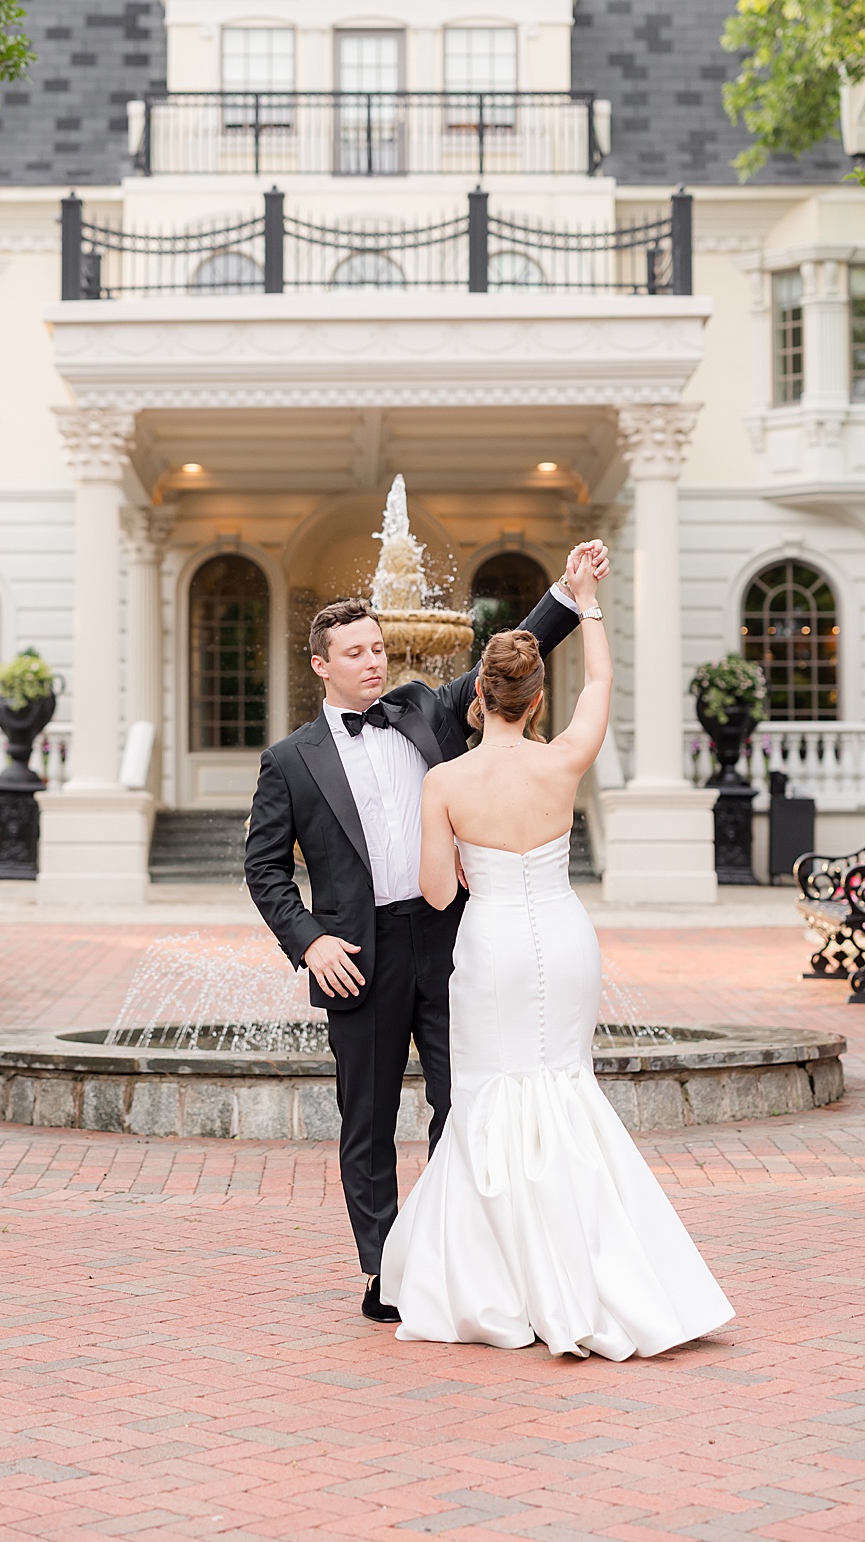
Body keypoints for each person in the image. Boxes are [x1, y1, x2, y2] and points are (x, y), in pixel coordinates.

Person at [380, 571, 734, 1358]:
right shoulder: (565, 757)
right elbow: (603, 678)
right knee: (567, 1086)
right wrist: (590, 602)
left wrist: (465, 860)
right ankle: (600, 1268)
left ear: (480, 699)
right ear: (536, 699)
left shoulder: (446, 780)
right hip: (564, 934)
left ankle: (501, 1282)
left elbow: (436, 895)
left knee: (488, 1097)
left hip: (494, 940)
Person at [246, 547, 598, 1324]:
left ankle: (448, 1254)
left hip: (449, 941)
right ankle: (385, 1271)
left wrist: (569, 596)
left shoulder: (420, 709)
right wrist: (309, 942)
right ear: (321, 666)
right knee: (366, 1121)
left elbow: (506, 664)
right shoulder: (290, 762)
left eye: (376, 648)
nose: (372, 663)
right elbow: (265, 868)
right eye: (355, 653)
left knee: (460, 1101)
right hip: (356, 958)